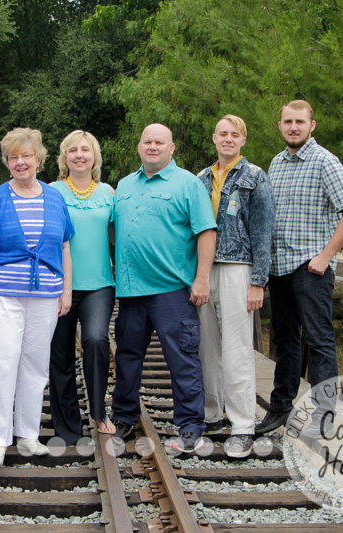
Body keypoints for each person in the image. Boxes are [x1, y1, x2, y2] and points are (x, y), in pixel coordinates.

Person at [256, 100, 343, 437]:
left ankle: (324, 416)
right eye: (288, 121)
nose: (293, 127)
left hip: (311, 268)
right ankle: (280, 407)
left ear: (312, 125)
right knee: (284, 340)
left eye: (300, 122)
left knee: (318, 340)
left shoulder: (324, 161)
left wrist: (327, 255)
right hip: (280, 268)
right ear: (280, 125)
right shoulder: (277, 163)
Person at [112, 123, 217, 454]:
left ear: (172, 148)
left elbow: (206, 231)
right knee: (127, 356)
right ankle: (123, 416)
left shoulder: (188, 184)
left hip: (172, 290)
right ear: (139, 147)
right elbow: (114, 230)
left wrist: (202, 278)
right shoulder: (124, 185)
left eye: (159, 142)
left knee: (181, 358)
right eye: (147, 142)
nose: (152, 147)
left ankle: (190, 426)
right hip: (131, 291)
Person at [0, 127, 74, 466]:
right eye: (13, 157)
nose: (20, 162)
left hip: (45, 294)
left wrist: (66, 290)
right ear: (6, 161)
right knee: (2, 363)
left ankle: (28, 435)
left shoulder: (55, 198)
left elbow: (65, 246)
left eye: (26, 156)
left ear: (39, 159)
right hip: (3, 295)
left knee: (35, 365)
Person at [195, 115, 275, 458]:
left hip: (237, 268)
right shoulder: (200, 179)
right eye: (222, 134)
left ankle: (242, 425)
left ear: (243, 140)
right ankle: (212, 415)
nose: (228, 139)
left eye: (234, 134)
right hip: (204, 268)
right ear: (214, 138)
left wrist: (258, 281)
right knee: (206, 345)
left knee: (237, 348)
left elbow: (263, 232)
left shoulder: (255, 177)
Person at [49, 130, 116, 444]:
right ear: (65, 156)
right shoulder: (51, 192)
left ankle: (99, 412)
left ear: (94, 156)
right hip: (58, 285)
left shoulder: (108, 193)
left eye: (85, 150)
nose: (79, 155)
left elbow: (119, 237)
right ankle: (67, 426)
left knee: (96, 339)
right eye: (73, 150)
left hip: (99, 285)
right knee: (59, 353)